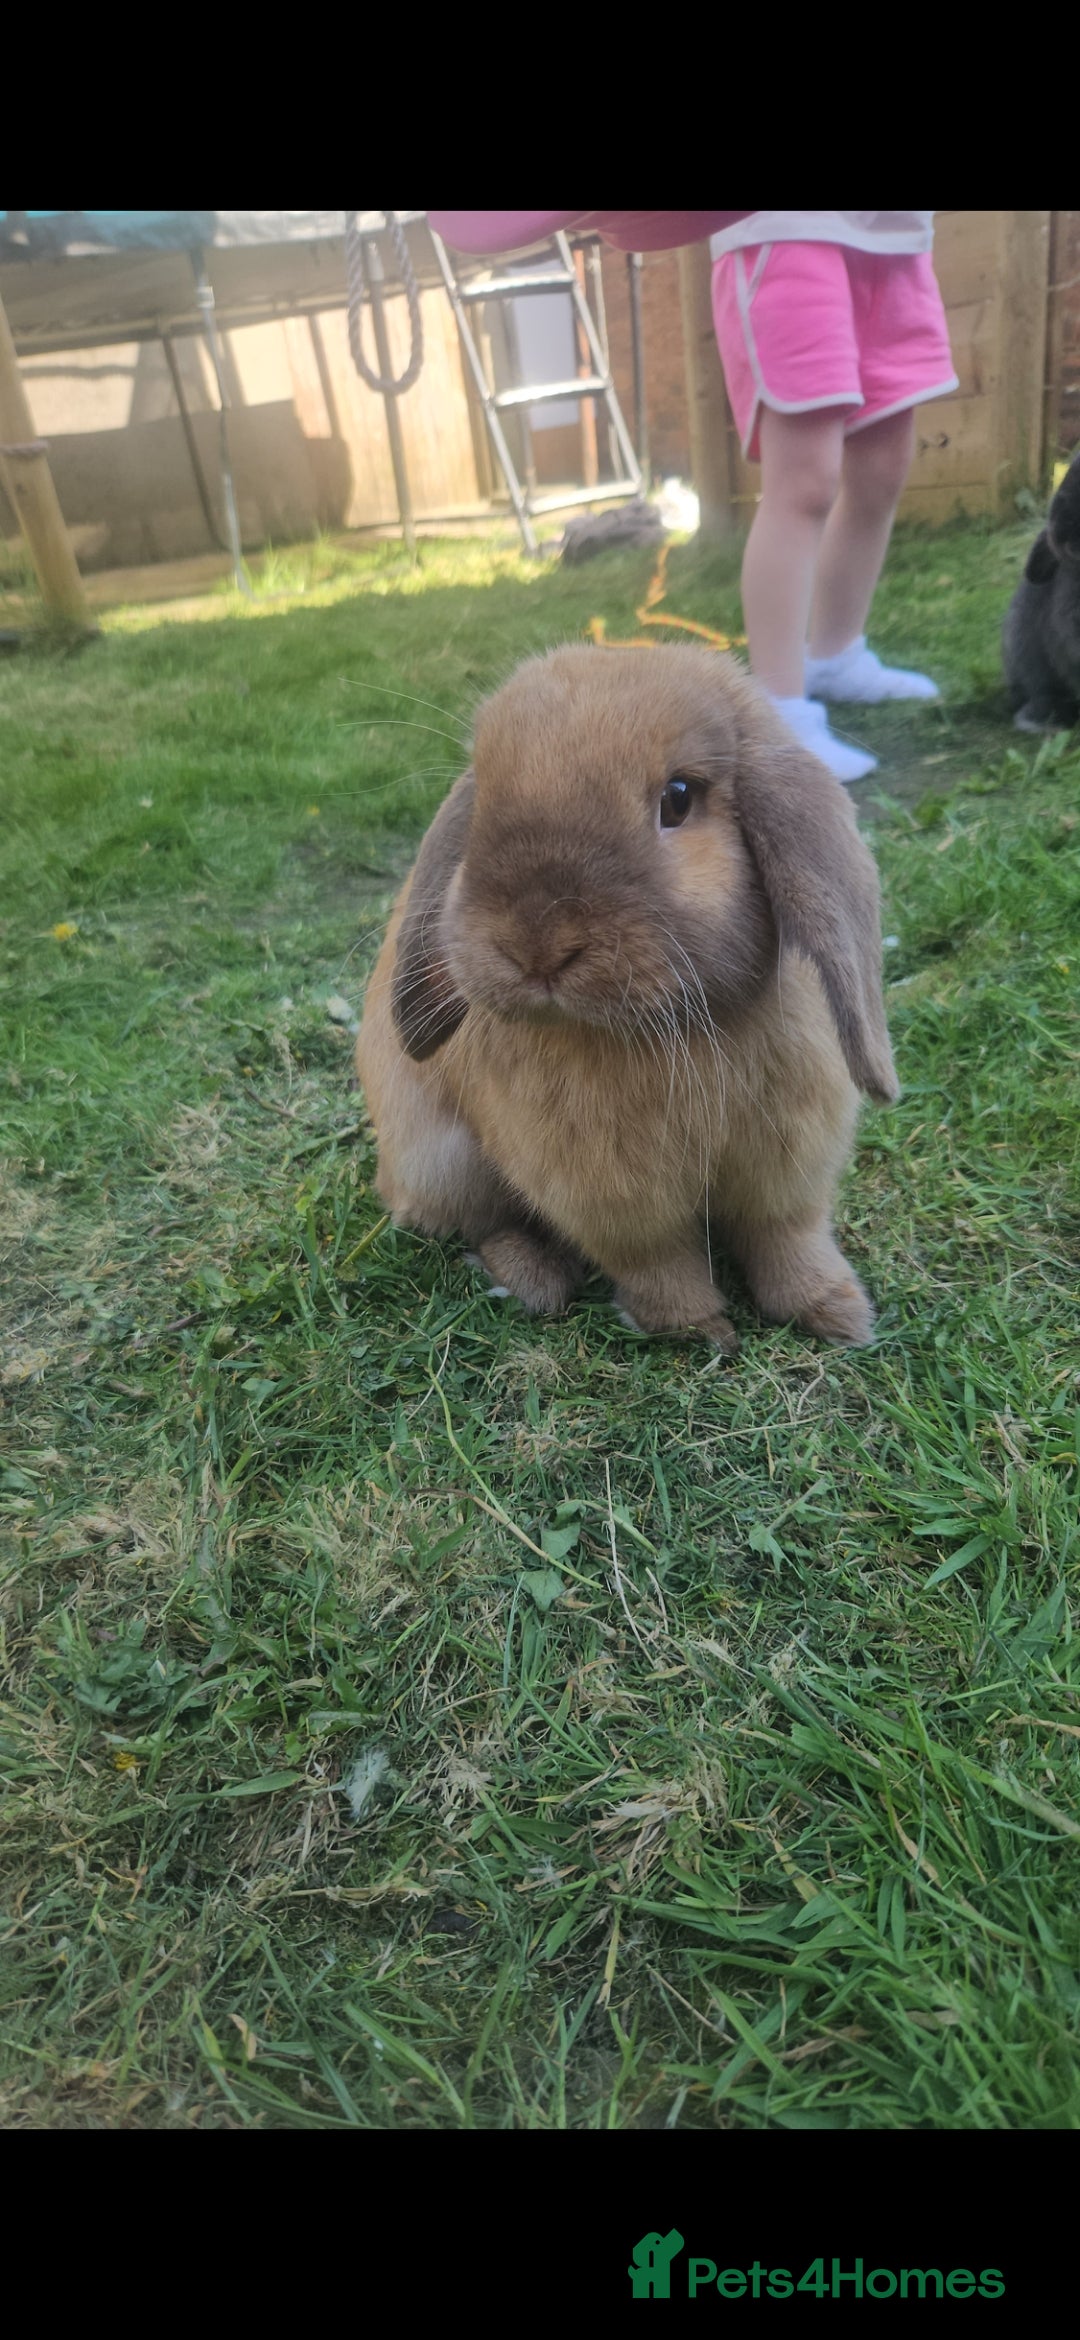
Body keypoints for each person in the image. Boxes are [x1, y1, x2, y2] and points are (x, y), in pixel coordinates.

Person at [710, 212, 958, 780]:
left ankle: (836, 655)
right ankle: (780, 713)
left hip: (895, 236)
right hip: (787, 232)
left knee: (882, 467)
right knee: (803, 482)